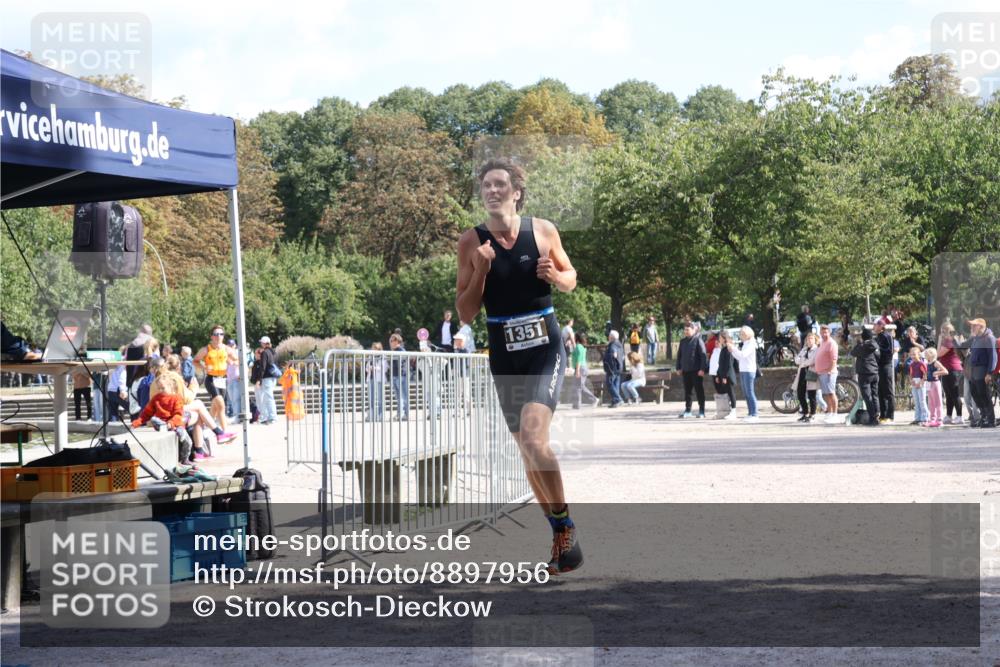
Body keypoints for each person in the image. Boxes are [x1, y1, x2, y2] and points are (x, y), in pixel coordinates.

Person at [455, 156, 582, 574]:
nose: (492, 191)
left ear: (516, 192)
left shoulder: (542, 231)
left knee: (533, 436)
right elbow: (466, 312)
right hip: (504, 352)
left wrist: (555, 277)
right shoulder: (471, 243)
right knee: (526, 452)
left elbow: (571, 277)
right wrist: (481, 271)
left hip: (545, 346)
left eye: (499, 185)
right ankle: (560, 534)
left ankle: (566, 525)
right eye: (486, 186)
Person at [194, 326, 239, 433]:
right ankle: (224, 432)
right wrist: (204, 367)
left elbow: (238, 360)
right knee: (221, 405)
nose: (218, 336)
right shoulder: (206, 349)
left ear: (223, 336)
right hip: (211, 380)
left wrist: (232, 362)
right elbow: (195, 361)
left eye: (221, 334)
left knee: (215, 407)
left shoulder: (227, 349)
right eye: (216, 334)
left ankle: (205, 428)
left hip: (223, 380)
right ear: (211, 336)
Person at [967, 318, 997, 428]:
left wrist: (989, 373)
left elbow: (993, 357)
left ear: (980, 326)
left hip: (983, 370)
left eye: (974, 325)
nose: (972, 328)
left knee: (984, 395)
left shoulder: (989, 338)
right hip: (974, 370)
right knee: (975, 393)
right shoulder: (976, 338)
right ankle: (983, 417)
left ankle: (990, 420)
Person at [677, 321, 708, 418]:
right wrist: (678, 367)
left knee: (699, 391)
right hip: (685, 371)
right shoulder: (682, 341)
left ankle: (702, 411)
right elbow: (679, 356)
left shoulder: (698, 340)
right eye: (685, 330)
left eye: (688, 330)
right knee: (687, 392)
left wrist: (702, 369)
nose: (686, 331)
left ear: (694, 330)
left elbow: (703, 356)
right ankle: (688, 410)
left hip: (696, 371)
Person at [851, 327, 881, 426]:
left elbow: (853, 352)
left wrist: (859, 343)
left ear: (863, 337)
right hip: (874, 372)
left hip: (864, 373)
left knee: (867, 396)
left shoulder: (863, 346)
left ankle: (872, 419)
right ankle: (877, 414)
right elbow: (878, 356)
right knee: (875, 395)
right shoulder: (875, 345)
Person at [936, 323, 965, 425]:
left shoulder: (949, 341)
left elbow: (938, 354)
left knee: (954, 394)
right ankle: (949, 415)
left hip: (953, 369)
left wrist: (939, 340)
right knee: (948, 394)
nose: (941, 333)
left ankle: (960, 416)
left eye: (943, 331)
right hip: (947, 369)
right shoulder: (949, 340)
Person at [730, 325, 759, 421]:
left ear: (747, 334)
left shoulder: (751, 343)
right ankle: (751, 413)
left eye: (742, 334)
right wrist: (733, 351)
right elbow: (739, 357)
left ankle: (755, 414)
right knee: (746, 393)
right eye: (740, 334)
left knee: (750, 392)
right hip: (743, 370)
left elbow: (743, 355)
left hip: (749, 370)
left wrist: (733, 349)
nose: (741, 336)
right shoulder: (746, 343)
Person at [250, 335, 279, 425]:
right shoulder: (273, 352)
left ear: (264, 343)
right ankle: (268, 417)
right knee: (268, 397)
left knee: (268, 398)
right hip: (272, 377)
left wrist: (259, 379)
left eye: (261, 342)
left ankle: (272, 417)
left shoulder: (265, 353)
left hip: (267, 378)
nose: (261, 344)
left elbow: (263, 367)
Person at [816, 324, 841, 424]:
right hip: (822, 372)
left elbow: (834, 359)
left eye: (826, 332)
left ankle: (835, 414)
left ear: (829, 332)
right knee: (826, 394)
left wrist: (830, 371)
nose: (824, 334)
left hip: (829, 372)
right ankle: (829, 413)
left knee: (831, 393)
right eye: (822, 332)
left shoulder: (832, 343)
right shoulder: (822, 342)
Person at [712, 329, 738, 419]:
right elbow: (721, 364)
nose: (718, 339)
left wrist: (725, 376)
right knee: (726, 393)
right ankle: (727, 411)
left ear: (724, 338)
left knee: (731, 393)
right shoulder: (723, 348)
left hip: (728, 376)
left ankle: (734, 411)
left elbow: (728, 364)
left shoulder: (728, 348)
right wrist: (717, 375)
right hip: (723, 376)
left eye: (719, 337)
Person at [794, 332, 820, 422]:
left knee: (811, 394)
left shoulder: (816, 349)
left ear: (815, 340)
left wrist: (803, 361)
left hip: (811, 372)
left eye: (811, 338)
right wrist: (803, 361)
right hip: (802, 372)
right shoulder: (804, 349)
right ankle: (805, 413)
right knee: (800, 394)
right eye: (808, 338)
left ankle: (812, 414)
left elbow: (812, 361)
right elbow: (796, 360)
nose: (809, 340)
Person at [874, 321, 896, 423]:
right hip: (878, 366)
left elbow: (889, 351)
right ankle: (882, 414)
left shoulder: (887, 336)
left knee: (888, 391)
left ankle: (890, 415)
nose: (874, 327)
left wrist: (877, 349)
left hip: (885, 366)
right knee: (880, 392)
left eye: (876, 325)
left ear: (881, 326)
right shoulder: (877, 337)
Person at [571, 332, 598, 409]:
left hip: (580, 368)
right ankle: (576, 404)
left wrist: (577, 370)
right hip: (581, 368)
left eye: (574, 337)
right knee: (578, 386)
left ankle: (593, 399)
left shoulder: (579, 347)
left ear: (576, 338)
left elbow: (579, 360)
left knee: (579, 386)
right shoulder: (581, 346)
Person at [388, 333, 410, 420]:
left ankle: (402, 414)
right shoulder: (393, 351)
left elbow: (403, 364)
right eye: (390, 340)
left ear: (397, 341)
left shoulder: (401, 350)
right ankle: (402, 414)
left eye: (392, 340)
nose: (390, 342)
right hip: (395, 376)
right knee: (398, 397)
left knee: (403, 396)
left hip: (401, 376)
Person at [924, 347, 946, 428]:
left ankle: (939, 419)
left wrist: (937, 372)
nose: (925, 355)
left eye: (927, 354)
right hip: (929, 383)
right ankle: (932, 419)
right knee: (931, 402)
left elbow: (945, 371)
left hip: (935, 384)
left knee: (938, 402)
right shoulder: (928, 363)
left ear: (931, 355)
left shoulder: (936, 363)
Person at [908, 346, 929, 425]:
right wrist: (911, 381)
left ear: (919, 355)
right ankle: (917, 418)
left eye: (914, 354)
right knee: (916, 401)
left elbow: (925, 374)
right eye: (911, 355)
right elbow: (910, 374)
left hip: (921, 382)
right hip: (914, 382)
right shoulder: (912, 364)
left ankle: (924, 418)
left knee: (922, 401)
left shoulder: (921, 364)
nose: (913, 356)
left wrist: (920, 383)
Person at [366, 342, 387, 421]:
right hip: (371, 379)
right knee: (371, 398)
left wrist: (374, 368)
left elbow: (384, 368)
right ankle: (371, 415)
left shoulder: (383, 357)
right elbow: (367, 367)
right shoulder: (370, 356)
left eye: (376, 348)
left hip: (379, 379)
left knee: (380, 398)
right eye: (373, 348)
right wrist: (369, 368)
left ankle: (380, 415)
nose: (374, 350)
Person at [603, 330, 624, 408]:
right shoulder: (619, 344)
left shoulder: (612, 345)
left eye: (609, 336)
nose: (608, 337)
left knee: (610, 384)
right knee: (615, 385)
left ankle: (618, 399)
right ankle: (615, 402)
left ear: (611, 337)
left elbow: (614, 355)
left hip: (612, 368)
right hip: (619, 367)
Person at [225, 339, 243, 421]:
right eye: (229, 345)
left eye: (232, 345)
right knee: (232, 399)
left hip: (236, 378)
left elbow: (242, 364)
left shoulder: (238, 353)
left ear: (235, 345)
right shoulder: (226, 354)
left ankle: (237, 417)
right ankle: (235, 416)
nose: (231, 346)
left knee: (236, 399)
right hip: (229, 379)